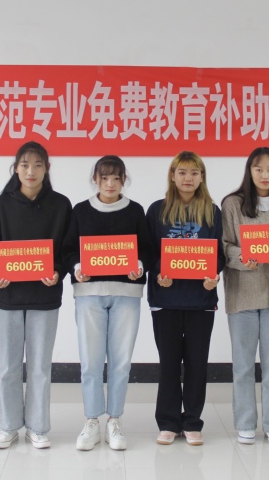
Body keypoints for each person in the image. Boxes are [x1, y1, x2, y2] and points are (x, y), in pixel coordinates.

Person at [0, 142, 72, 450]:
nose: (30, 171)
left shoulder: (60, 205)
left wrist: (58, 271)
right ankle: (7, 426)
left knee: (40, 367)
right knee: (8, 367)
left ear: (47, 168)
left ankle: (37, 427)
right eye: (24, 165)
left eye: (37, 165)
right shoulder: (2, 205)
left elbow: (68, 249)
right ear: (16, 169)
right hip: (8, 297)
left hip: (45, 297)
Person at [62, 155, 152, 451]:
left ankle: (114, 419)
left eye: (116, 178)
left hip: (126, 294)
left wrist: (140, 265)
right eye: (104, 178)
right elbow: (68, 249)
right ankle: (91, 420)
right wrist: (77, 267)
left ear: (124, 180)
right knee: (90, 361)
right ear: (95, 180)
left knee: (121, 361)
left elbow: (147, 249)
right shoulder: (81, 210)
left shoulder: (135, 211)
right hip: (89, 294)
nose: (110, 183)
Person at [221, 147, 269, 446]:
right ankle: (245, 423)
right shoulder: (232, 204)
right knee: (242, 366)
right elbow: (225, 245)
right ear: (249, 171)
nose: (265, 175)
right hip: (242, 293)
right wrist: (243, 257)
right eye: (258, 169)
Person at [147, 151, 225, 446]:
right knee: (168, 363)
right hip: (165, 299)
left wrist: (214, 274)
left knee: (196, 363)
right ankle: (168, 422)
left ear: (202, 177)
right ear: (172, 175)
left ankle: (192, 421)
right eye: (182, 172)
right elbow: (149, 251)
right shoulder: (157, 210)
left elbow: (218, 253)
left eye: (194, 172)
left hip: (200, 301)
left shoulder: (212, 211)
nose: (188, 178)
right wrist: (158, 272)